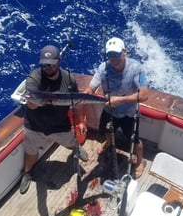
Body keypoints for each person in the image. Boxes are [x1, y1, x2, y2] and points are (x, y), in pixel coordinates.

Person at [20, 45, 89, 194]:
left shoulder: (69, 79)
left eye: (51, 64)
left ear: (59, 61)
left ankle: (77, 149)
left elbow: (76, 103)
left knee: (71, 142)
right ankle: (27, 173)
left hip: (59, 125)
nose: (47, 67)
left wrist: (81, 121)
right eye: (44, 64)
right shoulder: (34, 78)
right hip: (34, 126)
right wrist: (34, 103)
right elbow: (31, 104)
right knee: (31, 152)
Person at [84, 37, 148, 179]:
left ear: (124, 52)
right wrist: (87, 92)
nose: (113, 58)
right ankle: (109, 142)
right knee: (106, 131)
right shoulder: (103, 68)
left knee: (135, 141)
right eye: (110, 55)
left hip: (129, 113)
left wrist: (121, 100)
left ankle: (140, 162)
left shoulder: (136, 68)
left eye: (117, 54)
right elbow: (91, 87)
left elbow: (144, 95)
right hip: (109, 111)